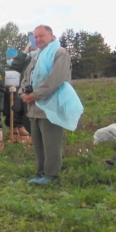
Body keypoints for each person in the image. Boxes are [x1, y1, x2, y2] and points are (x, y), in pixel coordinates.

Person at [20, 25, 83, 185]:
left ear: (51, 36)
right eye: (36, 37)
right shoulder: (36, 56)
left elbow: (55, 80)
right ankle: (40, 172)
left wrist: (35, 94)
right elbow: (27, 76)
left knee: (51, 143)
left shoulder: (59, 53)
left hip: (51, 105)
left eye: (42, 36)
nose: (38, 39)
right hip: (35, 107)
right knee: (39, 143)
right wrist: (23, 92)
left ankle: (51, 175)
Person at [3, 48, 28, 144]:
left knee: (19, 114)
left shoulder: (22, 68)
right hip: (8, 96)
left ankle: (24, 136)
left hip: (19, 95)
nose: (10, 59)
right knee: (10, 115)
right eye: (8, 57)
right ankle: (13, 135)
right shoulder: (6, 71)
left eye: (13, 57)